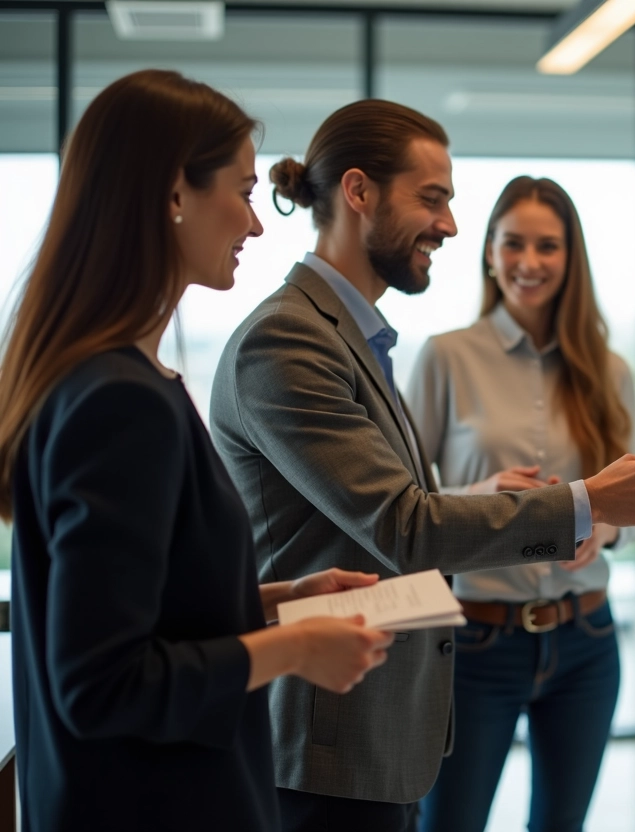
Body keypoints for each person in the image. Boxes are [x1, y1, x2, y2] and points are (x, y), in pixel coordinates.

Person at [209, 99, 635, 832]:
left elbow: (398, 509)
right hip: (338, 730)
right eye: (433, 199)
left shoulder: (358, 338)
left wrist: (602, 518)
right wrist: (587, 501)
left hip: (502, 662)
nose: (448, 225)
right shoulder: (290, 342)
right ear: (358, 193)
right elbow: (409, 521)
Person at [0, 70, 396, 831]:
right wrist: (295, 651)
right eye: (243, 191)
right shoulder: (119, 401)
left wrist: (280, 605)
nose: (254, 224)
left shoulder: (104, 377)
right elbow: (104, 682)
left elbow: (141, 614)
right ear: (173, 194)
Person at [406, 176, 635, 832]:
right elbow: (403, 504)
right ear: (488, 252)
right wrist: (477, 496)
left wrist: (609, 532)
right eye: (513, 243)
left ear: (571, 259)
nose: (529, 262)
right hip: (476, 642)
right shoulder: (445, 357)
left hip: (587, 639)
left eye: (548, 246)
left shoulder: (610, 370)